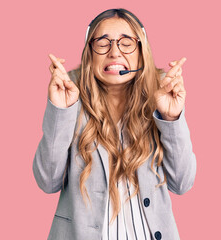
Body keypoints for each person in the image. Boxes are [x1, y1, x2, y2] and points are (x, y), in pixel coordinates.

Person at [33, 8, 196, 240]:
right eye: (103, 42)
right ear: (90, 52)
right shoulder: (72, 99)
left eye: (126, 42)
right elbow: (47, 181)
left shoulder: (160, 98)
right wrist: (60, 110)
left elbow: (182, 183)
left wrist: (170, 118)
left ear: (142, 51)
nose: (114, 52)